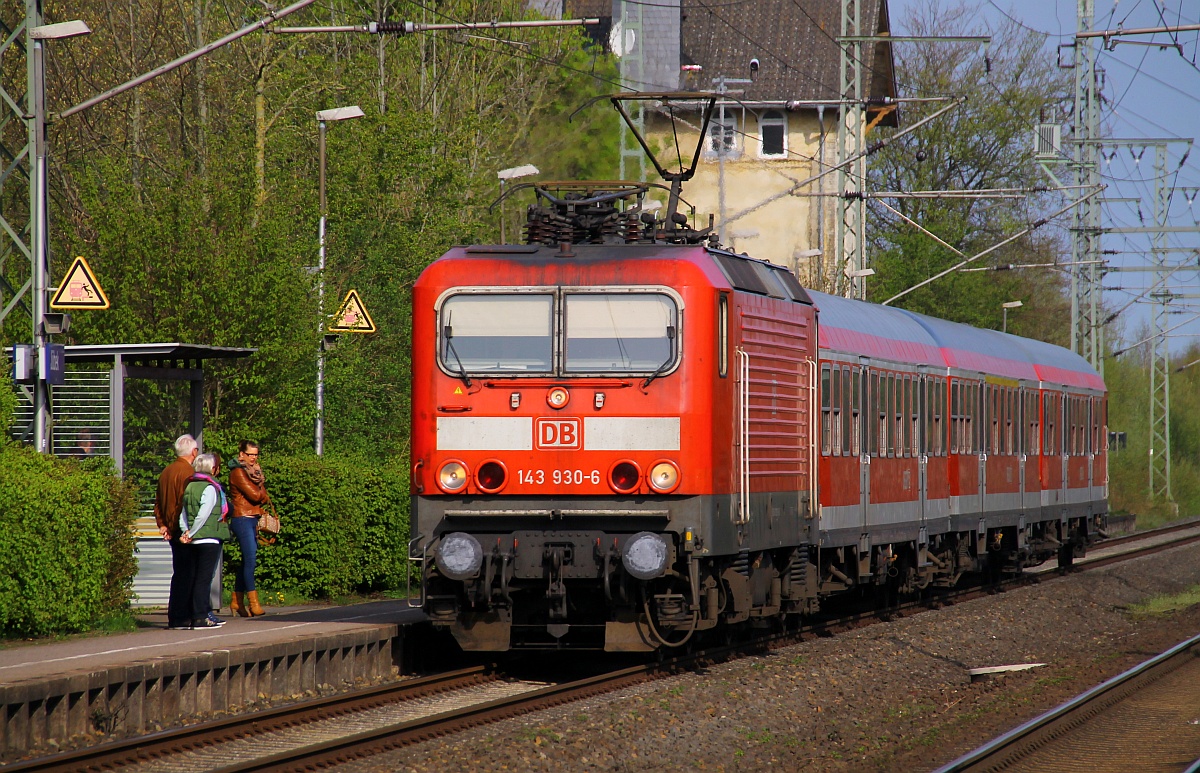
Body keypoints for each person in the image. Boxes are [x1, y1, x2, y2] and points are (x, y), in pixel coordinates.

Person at [179, 452, 231, 628]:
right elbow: (204, 514)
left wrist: (185, 531)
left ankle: (192, 615)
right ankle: (201, 616)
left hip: (193, 540)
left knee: (194, 577)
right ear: (211, 468)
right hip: (208, 538)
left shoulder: (190, 486)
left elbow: (183, 513)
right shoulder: (210, 488)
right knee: (204, 578)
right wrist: (192, 532)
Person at [155, 434, 198, 630]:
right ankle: (182, 616)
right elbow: (187, 503)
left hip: (171, 529)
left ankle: (175, 615)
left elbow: (158, 502)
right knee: (188, 573)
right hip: (184, 529)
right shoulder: (189, 472)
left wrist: (162, 524)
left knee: (179, 572)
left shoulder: (166, 471)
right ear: (194, 452)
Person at [227, 440, 270, 617]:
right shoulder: (238, 472)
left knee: (247, 561)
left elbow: (264, 497)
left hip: (253, 518)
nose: (253, 458)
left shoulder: (253, 473)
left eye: (255, 455)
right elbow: (255, 495)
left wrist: (260, 494)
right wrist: (260, 492)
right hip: (242, 518)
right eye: (250, 454)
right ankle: (254, 603)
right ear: (242, 454)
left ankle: (236, 601)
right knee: (250, 559)